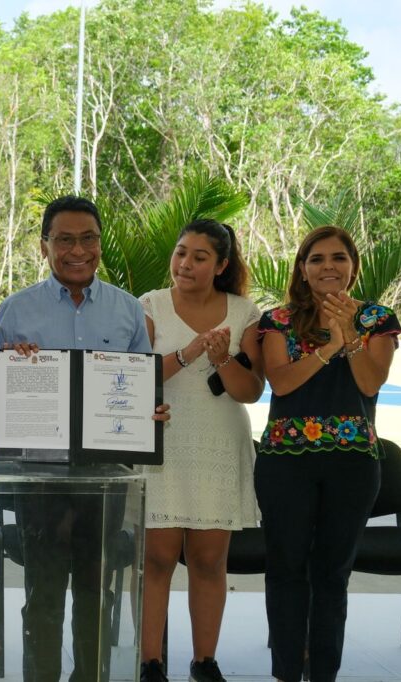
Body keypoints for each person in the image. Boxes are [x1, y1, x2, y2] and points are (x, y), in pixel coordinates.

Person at [0, 195, 169, 682]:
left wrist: (152, 413)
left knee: (95, 589)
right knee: (43, 591)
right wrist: (14, 371)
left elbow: (140, 384)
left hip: (105, 478)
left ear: (100, 245)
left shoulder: (128, 311)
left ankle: (91, 676)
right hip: (38, 474)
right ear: (45, 246)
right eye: (64, 239)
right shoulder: (18, 309)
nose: (77, 250)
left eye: (88, 239)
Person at [256, 225, 399, 682]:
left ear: (352, 266)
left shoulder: (379, 319)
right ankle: (286, 671)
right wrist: (330, 346)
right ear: (303, 269)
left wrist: (349, 335)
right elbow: (280, 382)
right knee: (285, 567)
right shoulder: (277, 320)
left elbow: (370, 383)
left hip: (352, 464)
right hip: (284, 462)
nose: (328, 267)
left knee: (332, 573)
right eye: (316, 259)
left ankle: (323, 673)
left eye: (338, 258)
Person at [137, 219, 264, 682]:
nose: (185, 264)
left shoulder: (244, 311)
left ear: (221, 265)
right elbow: (137, 379)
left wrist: (222, 359)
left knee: (210, 562)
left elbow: (249, 391)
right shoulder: (149, 305)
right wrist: (190, 353)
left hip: (218, 444)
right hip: (163, 445)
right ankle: (150, 662)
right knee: (157, 560)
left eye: (199, 256)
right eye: (180, 252)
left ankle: (204, 662)